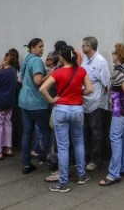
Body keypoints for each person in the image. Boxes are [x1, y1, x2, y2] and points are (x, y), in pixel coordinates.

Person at [39, 46, 94, 193]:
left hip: (61, 109)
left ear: (62, 58)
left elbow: (42, 88)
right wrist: (78, 92)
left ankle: (63, 182)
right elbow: (90, 89)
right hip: (77, 110)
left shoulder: (58, 72)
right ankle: (82, 175)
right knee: (78, 142)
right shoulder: (81, 71)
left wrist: (52, 100)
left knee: (63, 147)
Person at [100, 43, 124, 186]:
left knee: (115, 137)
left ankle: (113, 174)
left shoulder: (118, 71)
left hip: (119, 108)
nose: (112, 55)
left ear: (119, 55)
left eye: (114, 52)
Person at [18, 38, 51, 174]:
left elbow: (21, 78)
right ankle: (52, 161)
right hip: (37, 103)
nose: (42, 49)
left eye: (43, 46)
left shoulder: (27, 59)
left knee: (27, 132)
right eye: (39, 47)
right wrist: (50, 74)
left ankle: (26, 163)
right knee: (46, 131)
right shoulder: (37, 60)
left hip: (24, 101)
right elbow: (38, 81)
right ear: (32, 48)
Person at [80, 36, 111, 172]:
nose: (82, 47)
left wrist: (101, 100)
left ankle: (95, 160)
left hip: (96, 103)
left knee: (96, 133)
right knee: (85, 132)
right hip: (84, 102)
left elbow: (107, 84)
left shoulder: (101, 62)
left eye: (84, 45)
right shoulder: (85, 60)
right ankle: (85, 158)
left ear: (90, 47)